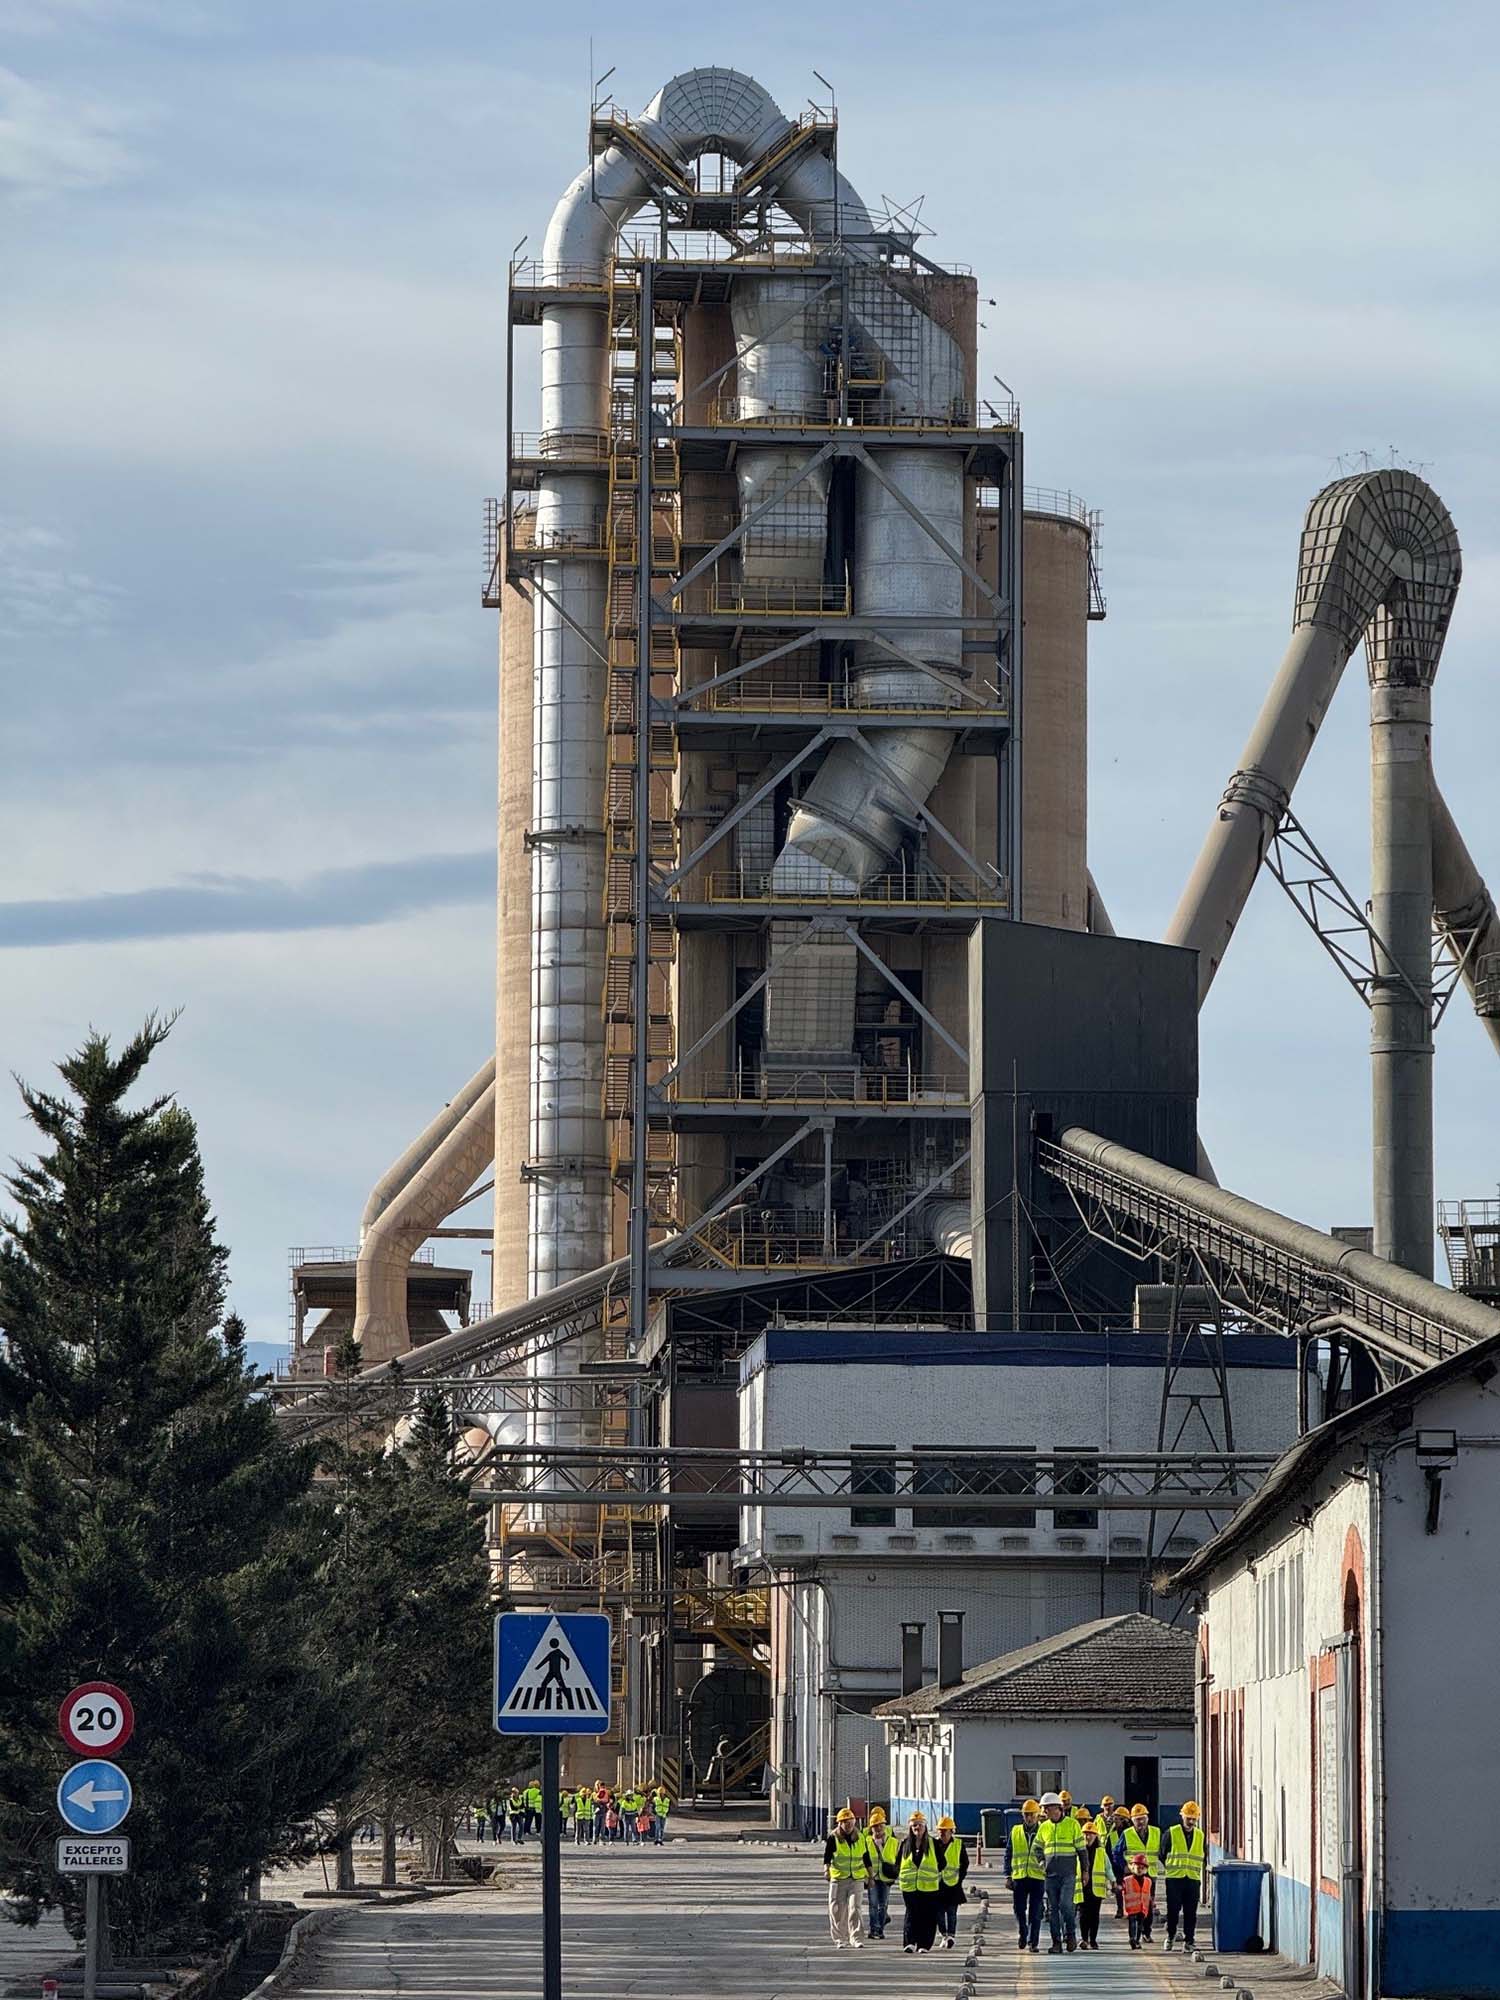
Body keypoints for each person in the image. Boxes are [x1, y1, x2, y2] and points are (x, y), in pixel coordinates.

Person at [1034, 1791, 1082, 1954]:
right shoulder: (1044, 1827)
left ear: (1057, 1808)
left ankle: (1070, 1935)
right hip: (1050, 1875)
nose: (1045, 1813)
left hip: (1068, 1874)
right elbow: (1037, 1847)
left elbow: (1082, 1850)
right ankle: (1056, 1943)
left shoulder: (1072, 1825)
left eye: (1047, 1809)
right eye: (1044, 1810)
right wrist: (1041, 1862)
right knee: (1053, 1909)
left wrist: (1085, 1870)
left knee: (1066, 1905)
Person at [823, 1804, 868, 1949]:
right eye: (846, 1823)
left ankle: (856, 1938)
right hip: (839, 1879)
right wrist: (826, 1870)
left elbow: (866, 1857)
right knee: (837, 1910)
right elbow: (827, 1857)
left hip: (856, 1878)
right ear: (840, 1823)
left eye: (851, 1822)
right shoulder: (833, 1838)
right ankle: (840, 1939)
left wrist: (871, 1876)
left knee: (855, 1908)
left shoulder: (860, 1837)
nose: (849, 1825)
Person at [1163, 1799, 1205, 1952]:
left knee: (1191, 1912)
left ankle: (1189, 1940)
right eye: (1189, 1818)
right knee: (1173, 1910)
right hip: (1174, 1878)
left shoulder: (1200, 1835)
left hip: (1192, 1879)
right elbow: (1163, 1853)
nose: (1191, 1822)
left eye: (1194, 1819)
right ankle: (1171, 1936)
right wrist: (1170, 1867)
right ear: (1182, 1817)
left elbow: (1202, 1855)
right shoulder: (1172, 1832)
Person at [897, 1811, 942, 1954]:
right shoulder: (905, 1843)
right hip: (909, 1886)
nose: (917, 1828)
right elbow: (898, 1862)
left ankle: (924, 1944)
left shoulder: (933, 1843)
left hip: (929, 1887)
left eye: (920, 1825)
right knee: (911, 1914)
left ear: (925, 1826)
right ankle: (909, 1942)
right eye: (914, 1825)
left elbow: (942, 1862)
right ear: (910, 1827)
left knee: (928, 1916)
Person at [1006, 1798, 1045, 1953]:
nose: (1029, 1817)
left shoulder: (1044, 1830)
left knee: (1036, 1912)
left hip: (1038, 1877)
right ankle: (1023, 1933)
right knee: (1019, 1910)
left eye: (1032, 1814)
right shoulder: (1015, 1831)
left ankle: (1033, 1942)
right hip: (1020, 1877)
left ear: (1037, 1815)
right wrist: (1007, 1875)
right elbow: (1008, 1854)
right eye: (1026, 1814)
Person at [1122, 1802, 1163, 1939]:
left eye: (1143, 1818)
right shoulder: (1127, 1834)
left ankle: (1147, 1932)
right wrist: (1124, 1866)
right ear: (1132, 1821)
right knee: (1134, 1906)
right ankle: (1134, 1935)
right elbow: (1116, 1852)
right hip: (1132, 1875)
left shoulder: (1156, 1832)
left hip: (1150, 1875)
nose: (1140, 1822)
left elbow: (1163, 1852)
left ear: (1147, 1819)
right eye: (1137, 1819)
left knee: (1148, 1904)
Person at [863, 1806, 899, 1939]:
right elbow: (864, 1857)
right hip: (872, 1876)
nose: (878, 1829)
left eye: (880, 1826)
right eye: (875, 1826)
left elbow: (896, 1856)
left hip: (886, 1876)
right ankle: (874, 1929)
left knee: (883, 1905)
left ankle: (880, 1929)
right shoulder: (866, 1837)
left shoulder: (891, 1839)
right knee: (873, 1904)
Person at [934, 1814, 969, 1950]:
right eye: (940, 1831)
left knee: (951, 1912)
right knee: (938, 1913)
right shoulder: (934, 1844)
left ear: (951, 1831)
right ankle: (944, 1935)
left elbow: (964, 1863)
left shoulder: (958, 1845)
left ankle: (951, 1936)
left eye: (945, 1831)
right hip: (937, 1884)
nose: (942, 1833)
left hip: (953, 1885)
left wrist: (960, 1878)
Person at [1077, 1816, 1110, 1951]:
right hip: (1082, 1886)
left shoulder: (1101, 1852)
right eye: (1085, 1834)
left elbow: (1108, 1868)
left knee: (1094, 1914)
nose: (1088, 1837)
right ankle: (1084, 1939)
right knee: (1083, 1914)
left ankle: (1093, 1940)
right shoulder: (1078, 1851)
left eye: (1091, 1834)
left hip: (1096, 1888)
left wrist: (1113, 1882)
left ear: (1096, 1836)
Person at [1123, 1850, 1155, 1949]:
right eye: (1137, 1867)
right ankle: (1132, 1938)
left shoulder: (1148, 1881)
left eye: (1142, 1868)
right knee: (1132, 1923)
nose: (1140, 1870)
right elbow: (1122, 1891)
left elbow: (1150, 1894)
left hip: (1142, 1907)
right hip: (1131, 1907)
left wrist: (1151, 1903)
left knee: (1140, 1924)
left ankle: (1136, 1940)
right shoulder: (1127, 1880)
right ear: (1132, 1867)